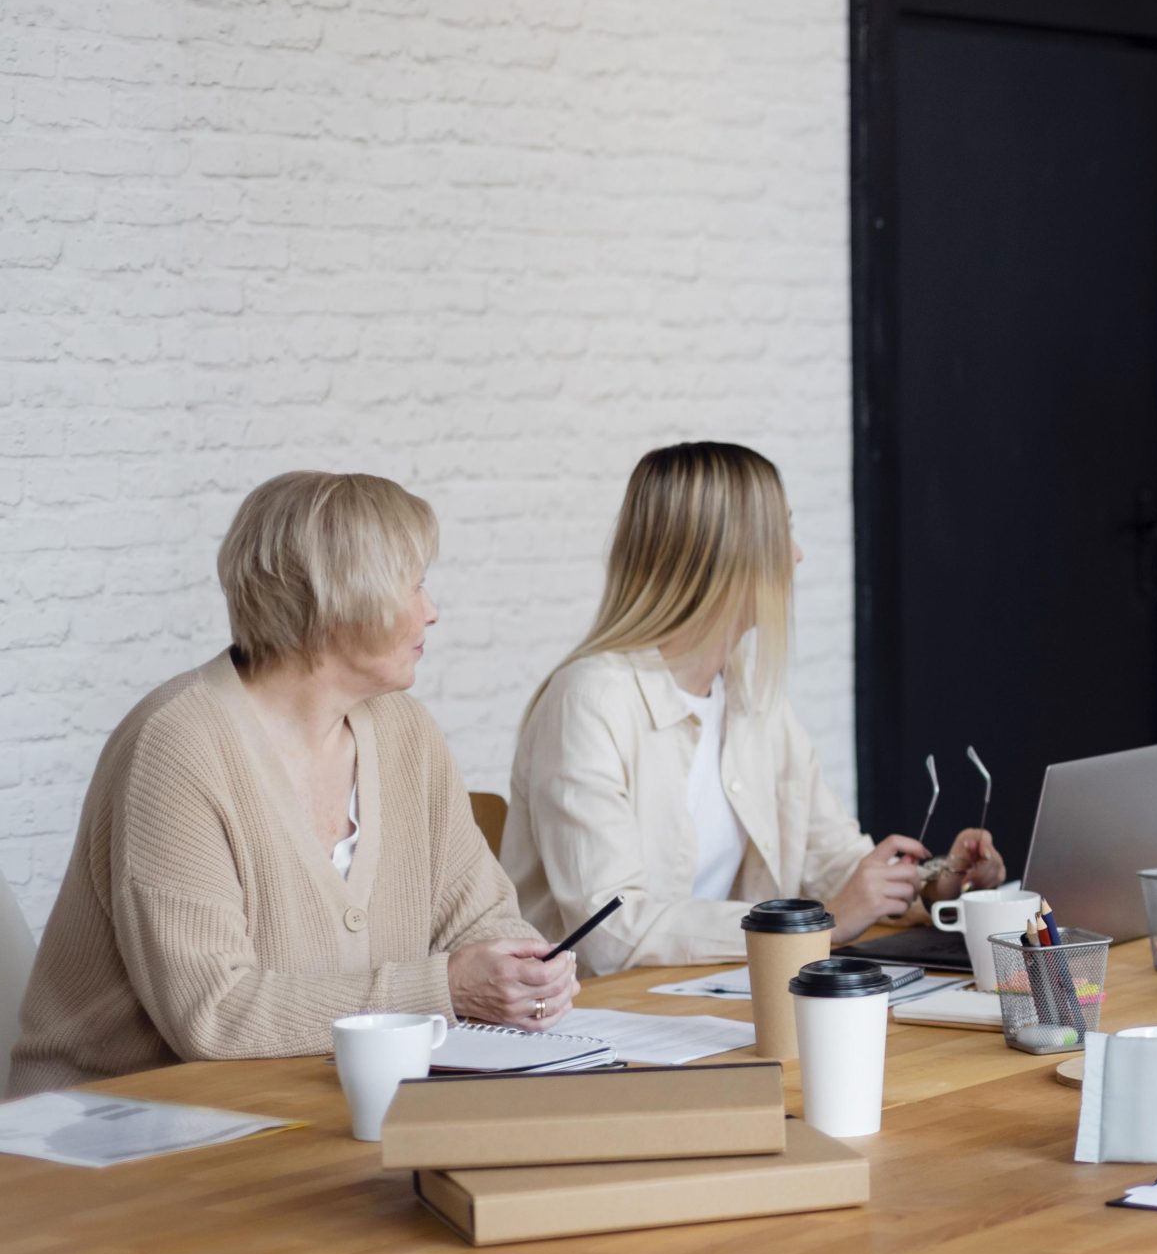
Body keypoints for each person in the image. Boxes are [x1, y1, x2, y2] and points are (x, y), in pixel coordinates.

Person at [8, 473, 575, 1098]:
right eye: (412, 585)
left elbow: (480, 917)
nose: (432, 610)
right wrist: (446, 989)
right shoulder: (179, 746)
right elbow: (212, 1014)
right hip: (119, 1126)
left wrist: (525, 971)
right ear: (338, 600)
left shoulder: (405, 731)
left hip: (311, 1104)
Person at [506, 442, 1005, 977]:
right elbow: (608, 930)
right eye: (782, 532)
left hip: (715, 1002)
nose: (796, 554)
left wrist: (938, 882)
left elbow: (833, 863)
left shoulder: (752, 698)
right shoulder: (589, 701)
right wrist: (817, 924)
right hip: (601, 1023)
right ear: (722, 555)